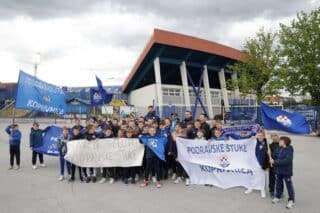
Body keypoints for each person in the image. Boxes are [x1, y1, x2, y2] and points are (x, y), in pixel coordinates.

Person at [271, 136, 295, 209]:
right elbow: (274, 155)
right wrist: (270, 154)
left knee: (289, 186)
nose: (279, 142)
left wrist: (275, 162)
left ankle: (291, 200)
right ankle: (278, 196)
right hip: (278, 170)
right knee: (278, 184)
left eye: (281, 141)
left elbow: (287, 161)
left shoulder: (289, 150)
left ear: (285, 142)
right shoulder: (278, 148)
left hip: (286, 171)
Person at [244, 130, 269, 198]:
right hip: (253, 162)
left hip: (261, 163)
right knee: (252, 176)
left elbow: (268, 155)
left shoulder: (267, 143)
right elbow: (247, 139)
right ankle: (251, 187)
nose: (259, 137)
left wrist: (266, 165)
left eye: (261, 135)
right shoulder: (254, 141)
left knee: (261, 177)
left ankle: (262, 190)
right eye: (258, 135)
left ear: (264, 136)